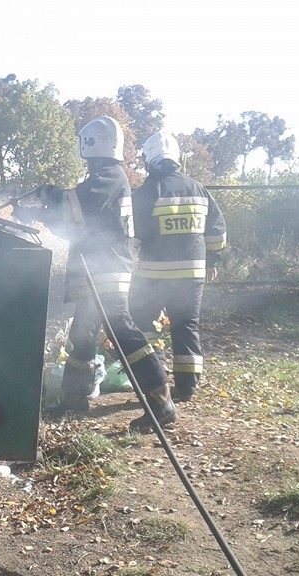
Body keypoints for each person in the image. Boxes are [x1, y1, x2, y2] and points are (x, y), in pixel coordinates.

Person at [15, 116, 176, 432]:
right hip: (95, 270)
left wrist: (48, 195)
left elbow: (75, 203)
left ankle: (161, 402)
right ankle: (75, 400)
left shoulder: (109, 176)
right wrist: (36, 214)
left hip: (107, 270)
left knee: (124, 333)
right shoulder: (105, 176)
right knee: (83, 336)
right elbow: (75, 224)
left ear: (90, 144)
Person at [129, 130, 227, 403]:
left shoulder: (147, 193)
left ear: (149, 160)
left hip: (153, 276)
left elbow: (133, 237)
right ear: (177, 159)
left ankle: (155, 376)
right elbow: (217, 231)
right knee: (186, 326)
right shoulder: (198, 189)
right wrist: (213, 260)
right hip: (193, 274)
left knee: (141, 323)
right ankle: (187, 387)